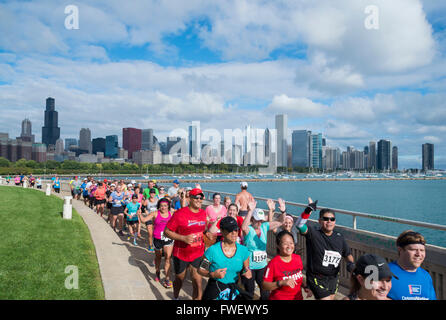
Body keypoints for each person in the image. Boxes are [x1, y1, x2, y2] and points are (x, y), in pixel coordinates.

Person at [295, 199, 355, 300]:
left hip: (333, 278)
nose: (329, 221)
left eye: (332, 219)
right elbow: (299, 225)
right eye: (326, 219)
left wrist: (351, 264)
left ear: (335, 221)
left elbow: (347, 254)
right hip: (316, 278)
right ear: (319, 221)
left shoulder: (339, 237)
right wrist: (308, 210)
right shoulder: (313, 233)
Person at [164, 188, 207, 300]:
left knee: (197, 281)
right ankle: (176, 296)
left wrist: (207, 235)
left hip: (197, 253)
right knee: (180, 279)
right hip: (181, 253)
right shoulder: (180, 214)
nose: (199, 200)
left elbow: (203, 231)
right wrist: (183, 238)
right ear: (189, 199)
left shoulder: (203, 213)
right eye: (196, 197)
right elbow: (167, 231)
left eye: (201, 198)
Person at [199, 216, 252, 300]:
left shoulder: (244, 250)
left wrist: (248, 271)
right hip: (215, 287)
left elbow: (246, 268)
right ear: (222, 232)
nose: (234, 233)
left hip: (233, 289)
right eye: (230, 230)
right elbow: (201, 270)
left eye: (236, 229)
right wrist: (212, 274)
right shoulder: (212, 250)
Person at [241, 200, 286, 300]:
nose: (260, 222)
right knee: (249, 292)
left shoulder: (265, 226)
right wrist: (250, 210)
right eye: (257, 220)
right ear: (252, 219)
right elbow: (243, 227)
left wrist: (283, 211)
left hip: (262, 266)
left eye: (261, 220)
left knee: (265, 292)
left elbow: (280, 222)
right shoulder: (248, 229)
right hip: (249, 267)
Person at [387, 230, 436, 300]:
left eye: (422, 250)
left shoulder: (426, 276)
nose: (418, 254)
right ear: (400, 250)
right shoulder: (386, 272)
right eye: (413, 249)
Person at [262, 230, 311, 300]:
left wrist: (306, 287)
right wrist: (281, 283)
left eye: (291, 243)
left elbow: (298, 277)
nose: (289, 246)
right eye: (285, 243)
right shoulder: (273, 263)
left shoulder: (297, 258)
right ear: (278, 245)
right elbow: (264, 285)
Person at [139, 198, 174, 288]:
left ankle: (167, 278)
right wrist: (139, 215)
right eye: (162, 206)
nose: (163, 207)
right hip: (157, 239)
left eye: (165, 206)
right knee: (158, 257)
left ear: (168, 206)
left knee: (168, 258)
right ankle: (157, 272)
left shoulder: (172, 213)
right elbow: (144, 220)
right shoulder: (155, 213)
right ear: (159, 206)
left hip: (168, 239)